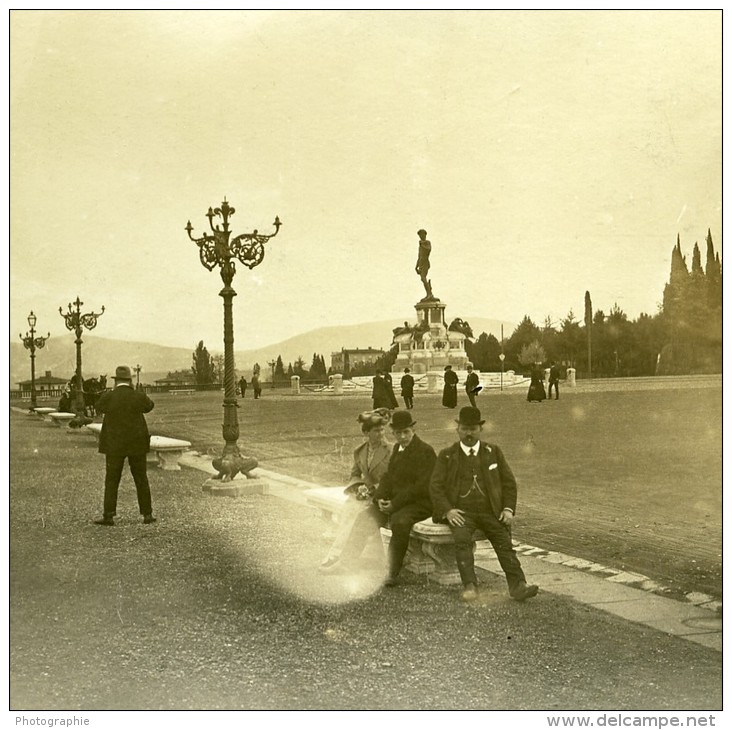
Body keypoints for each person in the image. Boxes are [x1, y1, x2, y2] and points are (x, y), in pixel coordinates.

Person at [429, 406, 539, 603]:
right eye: (464, 429)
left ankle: (518, 586)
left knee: (504, 542)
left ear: (480, 429)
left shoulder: (493, 452)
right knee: (462, 540)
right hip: (462, 512)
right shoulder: (447, 455)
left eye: (473, 429)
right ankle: (470, 586)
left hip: (490, 511)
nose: (469, 433)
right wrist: (448, 510)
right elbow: (435, 486)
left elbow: (508, 482)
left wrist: (507, 509)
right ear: (457, 430)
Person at [336, 410, 436, 586]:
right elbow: (389, 477)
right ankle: (346, 562)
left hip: (420, 502)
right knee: (365, 516)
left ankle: (391, 572)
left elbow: (420, 487)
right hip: (397, 501)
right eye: (398, 433)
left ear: (413, 430)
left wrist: (394, 504)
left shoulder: (425, 451)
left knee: (399, 521)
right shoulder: (397, 448)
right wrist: (380, 498)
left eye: (406, 432)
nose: (402, 436)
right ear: (394, 433)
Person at [319, 409, 392, 573]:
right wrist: (359, 487)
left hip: (383, 496)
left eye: (382, 429)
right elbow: (354, 475)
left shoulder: (391, 450)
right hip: (365, 495)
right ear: (366, 433)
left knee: (355, 513)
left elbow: (395, 477)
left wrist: (374, 489)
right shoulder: (360, 451)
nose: (380, 433)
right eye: (376, 430)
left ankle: (336, 556)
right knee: (348, 509)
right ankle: (338, 555)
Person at [93, 365, 156, 526]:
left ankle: (108, 515)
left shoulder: (109, 396)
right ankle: (147, 514)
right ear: (130, 380)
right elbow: (149, 406)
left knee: (112, 479)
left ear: (115, 381)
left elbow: (98, 407)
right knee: (141, 478)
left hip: (114, 444)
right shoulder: (138, 396)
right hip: (137, 443)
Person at [415, 229, 433, 299]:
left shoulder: (427, 242)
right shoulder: (420, 245)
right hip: (421, 263)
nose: (420, 236)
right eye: (419, 235)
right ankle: (429, 293)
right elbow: (419, 256)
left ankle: (429, 294)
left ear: (425, 234)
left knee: (423, 278)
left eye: (421, 234)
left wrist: (422, 244)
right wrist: (416, 266)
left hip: (425, 262)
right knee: (423, 279)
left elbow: (428, 249)